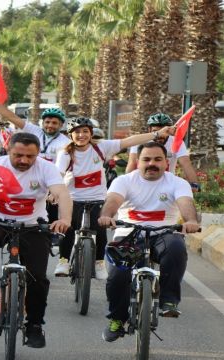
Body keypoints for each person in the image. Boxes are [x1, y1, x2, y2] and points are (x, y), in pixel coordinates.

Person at [0, 132, 73, 348]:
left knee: (38, 278)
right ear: (8, 150)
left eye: (30, 156)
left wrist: (65, 219)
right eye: (18, 155)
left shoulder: (46, 168)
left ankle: (34, 325)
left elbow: (62, 194)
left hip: (33, 225)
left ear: (38, 154)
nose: (24, 160)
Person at [97, 142, 200, 342]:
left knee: (177, 248)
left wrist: (191, 221)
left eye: (157, 159)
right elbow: (112, 201)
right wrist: (107, 216)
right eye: (146, 159)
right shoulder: (124, 181)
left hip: (165, 232)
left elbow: (186, 204)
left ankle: (169, 301)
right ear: (138, 162)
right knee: (118, 276)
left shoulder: (177, 183)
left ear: (166, 163)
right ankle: (117, 319)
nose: (151, 163)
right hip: (129, 234)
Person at [53, 117, 176, 280]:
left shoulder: (101, 147)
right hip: (73, 198)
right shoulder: (66, 153)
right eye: (77, 132)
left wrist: (157, 134)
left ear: (91, 134)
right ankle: (64, 260)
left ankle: (98, 262)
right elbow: (58, 174)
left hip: (97, 198)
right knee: (69, 228)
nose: (81, 135)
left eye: (85, 132)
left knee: (100, 228)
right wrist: (54, 192)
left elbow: (129, 141)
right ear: (70, 135)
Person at [125, 113, 199, 190]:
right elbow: (132, 163)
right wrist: (127, 184)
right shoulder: (140, 140)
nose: (160, 135)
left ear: (169, 130)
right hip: (142, 183)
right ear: (149, 130)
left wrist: (194, 184)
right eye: (155, 131)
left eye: (164, 131)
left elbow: (186, 163)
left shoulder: (176, 141)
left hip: (167, 184)